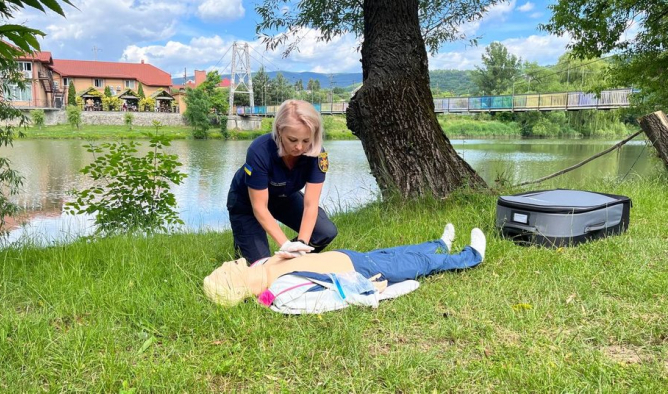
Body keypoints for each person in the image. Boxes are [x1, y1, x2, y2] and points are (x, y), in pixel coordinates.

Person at [204, 224, 486, 307]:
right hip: (363, 271)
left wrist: (289, 249)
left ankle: (439, 244)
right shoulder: (280, 291)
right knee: (419, 264)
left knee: (400, 252)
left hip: (354, 256)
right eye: (235, 268)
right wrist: (369, 290)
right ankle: (472, 255)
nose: (237, 262)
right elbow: (328, 298)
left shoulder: (263, 265)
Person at [227, 99, 337, 264]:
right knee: (261, 264)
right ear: (279, 131)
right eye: (293, 140)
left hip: (284, 198)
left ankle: (285, 260)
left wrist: (301, 245)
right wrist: (285, 244)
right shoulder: (258, 150)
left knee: (325, 232)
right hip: (247, 204)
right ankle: (244, 244)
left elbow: (310, 204)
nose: (299, 147)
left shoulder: (318, 154)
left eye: (306, 140)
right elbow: (259, 207)